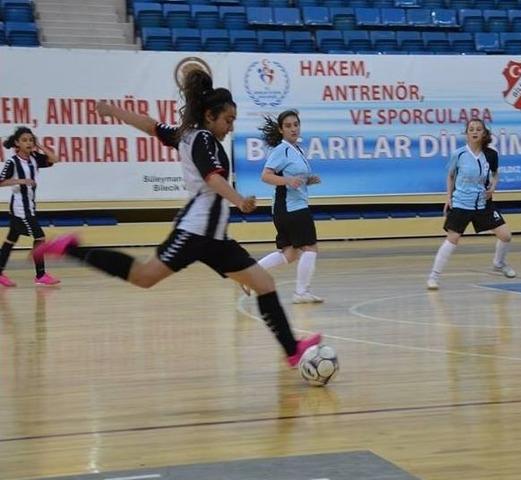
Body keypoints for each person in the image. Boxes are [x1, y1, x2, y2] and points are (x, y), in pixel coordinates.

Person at [33, 69, 320, 367]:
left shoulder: (186, 134)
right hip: (195, 232)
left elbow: (148, 125)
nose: (230, 127)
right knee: (144, 277)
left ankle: (292, 350)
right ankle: (69, 249)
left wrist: (111, 110)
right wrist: (239, 201)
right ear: (210, 116)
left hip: (215, 238)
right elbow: (212, 178)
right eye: (228, 120)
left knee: (264, 284)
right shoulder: (204, 139)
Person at [241, 109, 323, 304]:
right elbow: (265, 175)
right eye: (288, 126)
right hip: (291, 207)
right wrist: (288, 180)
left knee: (290, 253)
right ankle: (301, 293)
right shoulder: (282, 150)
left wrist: (306, 181)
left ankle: (248, 276)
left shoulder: (297, 150)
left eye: (296, 124)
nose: (293, 129)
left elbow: (295, 179)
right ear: (281, 129)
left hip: (288, 207)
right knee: (310, 248)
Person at [426, 118, 516, 290]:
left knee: (506, 235)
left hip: (483, 203)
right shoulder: (459, 154)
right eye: (471, 129)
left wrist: (493, 187)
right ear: (466, 133)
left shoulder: (491, 154)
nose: (475, 132)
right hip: (462, 202)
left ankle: (498, 263)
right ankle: (434, 276)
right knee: (453, 238)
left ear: (484, 133)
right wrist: (449, 198)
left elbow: (495, 174)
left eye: (479, 129)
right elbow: (450, 176)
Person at [0, 127, 61, 287]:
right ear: (17, 143)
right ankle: (40, 275)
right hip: (20, 209)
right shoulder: (12, 162)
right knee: (39, 237)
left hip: (30, 207)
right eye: (25, 140)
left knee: (10, 240)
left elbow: (55, 159)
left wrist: (39, 146)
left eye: (31, 140)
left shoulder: (34, 158)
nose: (28, 143)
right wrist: (20, 181)